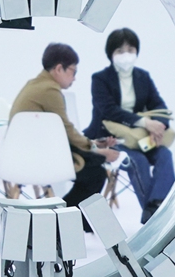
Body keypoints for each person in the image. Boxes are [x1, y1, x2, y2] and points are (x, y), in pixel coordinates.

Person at [10, 43, 120, 210]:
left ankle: (67, 218)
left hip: (27, 151)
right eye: (73, 71)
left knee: (93, 165)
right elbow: (66, 131)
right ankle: (62, 219)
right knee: (96, 172)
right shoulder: (49, 90)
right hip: (37, 157)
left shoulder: (34, 84)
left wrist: (93, 144)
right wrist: (96, 150)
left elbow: (60, 133)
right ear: (59, 69)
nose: (74, 77)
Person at [84, 28, 175, 224]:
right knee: (137, 161)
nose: (126, 55)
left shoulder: (143, 77)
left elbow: (159, 106)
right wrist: (145, 122)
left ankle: (155, 206)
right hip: (110, 139)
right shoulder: (100, 79)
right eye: (120, 51)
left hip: (141, 139)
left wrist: (160, 126)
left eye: (130, 49)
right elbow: (109, 110)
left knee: (165, 156)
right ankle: (157, 218)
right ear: (111, 54)